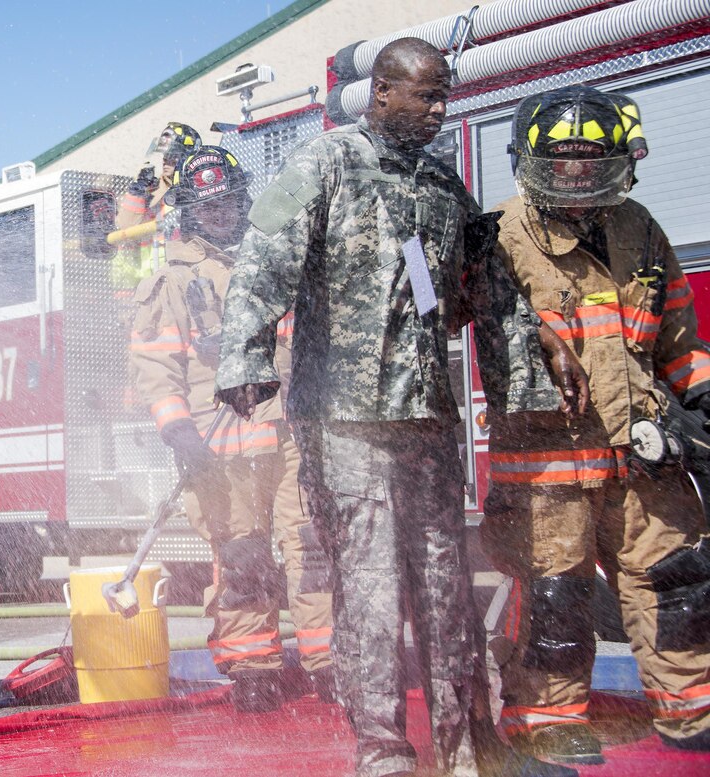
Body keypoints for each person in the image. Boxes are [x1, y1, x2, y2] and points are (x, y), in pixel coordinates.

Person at [214, 38, 581, 777]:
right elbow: (264, 251)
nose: (442, 107)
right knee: (373, 581)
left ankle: (467, 742)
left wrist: (531, 374)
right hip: (345, 419)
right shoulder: (325, 164)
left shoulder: (440, 183)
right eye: (428, 94)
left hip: (424, 418)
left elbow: (489, 286)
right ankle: (382, 748)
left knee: (446, 581)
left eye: (445, 94)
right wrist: (245, 355)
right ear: (382, 92)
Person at [480, 85, 710, 764]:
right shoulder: (497, 232)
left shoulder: (640, 228)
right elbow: (439, 308)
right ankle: (546, 725)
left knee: (678, 580)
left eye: (590, 158)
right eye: (563, 159)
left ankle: (690, 708)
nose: (578, 172)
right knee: (556, 600)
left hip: (644, 457)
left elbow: (677, 343)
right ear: (531, 160)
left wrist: (701, 401)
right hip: (549, 465)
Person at [129, 146, 335, 712]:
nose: (221, 213)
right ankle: (253, 669)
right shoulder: (171, 282)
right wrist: (179, 435)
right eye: (208, 205)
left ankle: (330, 661)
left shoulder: (275, 262)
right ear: (189, 212)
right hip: (217, 446)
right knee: (242, 558)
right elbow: (155, 368)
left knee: (312, 546)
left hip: (292, 436)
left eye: (229, 202)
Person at [111, 122, 202, 290]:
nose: (166, 161)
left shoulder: (198, 188)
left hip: (185, 280)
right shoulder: (149, 190)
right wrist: (138, 190)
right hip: (148, 283)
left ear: (187, 156)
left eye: (173, 155)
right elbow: (125, 227)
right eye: (164, 155)